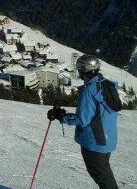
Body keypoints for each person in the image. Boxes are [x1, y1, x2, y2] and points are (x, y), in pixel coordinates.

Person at [47, 55, 119, 189]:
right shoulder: (105, 84)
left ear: (82, 71)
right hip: (107, 139)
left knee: (103, 177)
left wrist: (61, 116)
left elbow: (82, 120)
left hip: (94, 141)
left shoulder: (89, 91)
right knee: (103, 174)